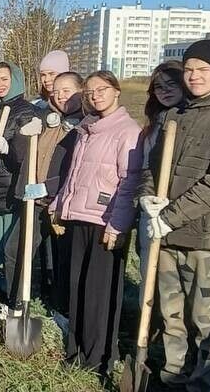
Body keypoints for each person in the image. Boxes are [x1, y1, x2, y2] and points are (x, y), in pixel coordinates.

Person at [138, 39, 210, 391]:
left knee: (208, 322)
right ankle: (173, 375)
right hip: (169, 235)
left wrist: (171, 216)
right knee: (171, 316)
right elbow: (151, 167)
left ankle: (206, 384)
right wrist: (148, 199)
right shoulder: (176, 115)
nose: (194, 77)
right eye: (189, 70)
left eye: (202, 70)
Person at [48, 70, 141, 377]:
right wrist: (59, 207)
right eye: (89, 92)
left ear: (116, 91)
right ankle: (75, 350)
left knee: (99, 294)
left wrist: (118, 225)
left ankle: (99, 356)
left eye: (102, 89)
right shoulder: (87, 128)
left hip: (105, 223)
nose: (95, 95)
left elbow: (129, 183)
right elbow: (73, 176)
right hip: (78, 218)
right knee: (77, 287)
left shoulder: (127, 131)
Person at [5, 70, 83, 321]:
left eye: (67, 91)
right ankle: (15, 303)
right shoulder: (44, 119)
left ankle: (62, 310)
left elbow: (77, 168)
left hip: (64, 204)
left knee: (61, 261)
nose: (60, 96)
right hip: (35, 201)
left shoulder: (84, 126)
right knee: (14, 250)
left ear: (81, 92)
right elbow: (23, 158)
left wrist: (49, 187)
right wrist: (21, 137)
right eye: (56, 90)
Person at [0, 61, 36, 306]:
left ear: (16, 80)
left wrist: (8, 148)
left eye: (4, 79)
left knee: (10, 247)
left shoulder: (26, 111)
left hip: (13, 187)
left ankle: (12, 294)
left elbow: (26, 157)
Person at [135, 61, 184, 281]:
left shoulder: (185, 119)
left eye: (171, 84)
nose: (165, 91)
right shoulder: (154, 122)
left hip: (177, 211)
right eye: (159, 87)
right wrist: (144, 195)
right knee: (149, 273)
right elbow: (145, 165)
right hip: (151, 207)